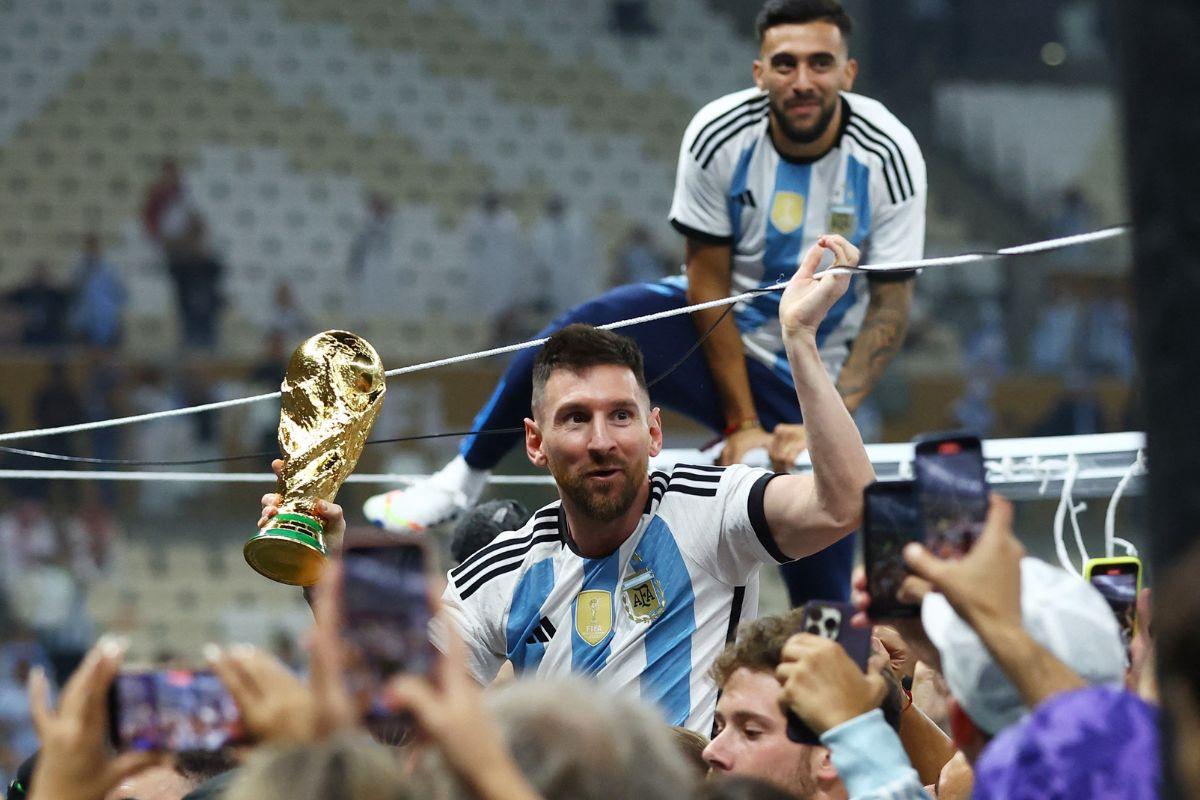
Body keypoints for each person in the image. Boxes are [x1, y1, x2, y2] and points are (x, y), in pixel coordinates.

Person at [363, 0, 924, 610]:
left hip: (807, 365)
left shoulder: (890, 152)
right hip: (713, 332)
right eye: (785, 64)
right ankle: (460, 480)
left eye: (821, 63)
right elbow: (707, 285)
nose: (804, 80)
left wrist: (825, 415)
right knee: (568, 341)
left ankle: (829, 679)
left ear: (849, 72)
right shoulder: (718, 134)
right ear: (760, 72)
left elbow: (890, 309)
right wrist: (743, 425)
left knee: (826, 593)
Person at [265, 234, 873, 735]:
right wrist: (329, 577)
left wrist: (800, 341)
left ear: (654, 431)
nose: (601, 439)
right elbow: (397, 715)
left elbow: (844, 502)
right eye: (575, 418)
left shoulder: (713, 508)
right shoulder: (503, 570)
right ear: (535, 442)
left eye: (621, 415)